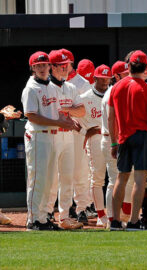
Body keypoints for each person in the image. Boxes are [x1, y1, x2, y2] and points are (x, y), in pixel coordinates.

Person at [22, 51, 83, 230]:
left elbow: (57, 111)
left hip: (51, 136)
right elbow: (31, 116)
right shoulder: (31, 88)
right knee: (38, 179)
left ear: (49, 66)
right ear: (32, 68)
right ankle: (33, 219)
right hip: (38, 136)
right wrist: (58, 122)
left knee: (49, 180)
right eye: (38, 65)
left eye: (44, 64)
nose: (42, 68)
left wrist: (69, 121)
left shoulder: (50, 86)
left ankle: (42, 218)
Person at [108, 50, 147, 231]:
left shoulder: (116, 87)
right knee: (139, 179)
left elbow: (110, 118)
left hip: (123, 136)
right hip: (142, 135)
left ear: (128, 65)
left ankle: (115, 220)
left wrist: (114, 142)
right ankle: (133, 221)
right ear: (146, 68)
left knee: (121, 178)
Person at [62, 48, 95, 223]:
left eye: (64, 63)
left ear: (70, 64)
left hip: (78, 130)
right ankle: (64, 209)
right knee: (62, 172)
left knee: (81, 170)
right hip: (60, 130)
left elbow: (84, 110)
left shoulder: (82, 83)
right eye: (58, 64)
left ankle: (82, 208)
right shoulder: (55, 83)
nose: (62, 67)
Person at [78, 64, 112, 227]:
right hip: (96, 139)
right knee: (97, 178)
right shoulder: (84, 97)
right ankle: (100, 214)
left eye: (108, 77)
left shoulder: (114, 93)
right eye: (102, 77)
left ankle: (113, 214)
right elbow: (74, 120)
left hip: (114, 138)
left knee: (116, 177)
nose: (105, 80)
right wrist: (85, 133)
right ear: (95, 78)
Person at [102, 60, 134, 225]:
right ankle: (111, 218)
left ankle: (119, 216)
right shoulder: (112, 92)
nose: (127, 76)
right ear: (116, 76)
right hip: (111, 138)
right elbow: (111, 120)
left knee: (122, 179)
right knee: (114, 180)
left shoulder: (119, 89)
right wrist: (116, 143)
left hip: (116, 138)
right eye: (124, 74)